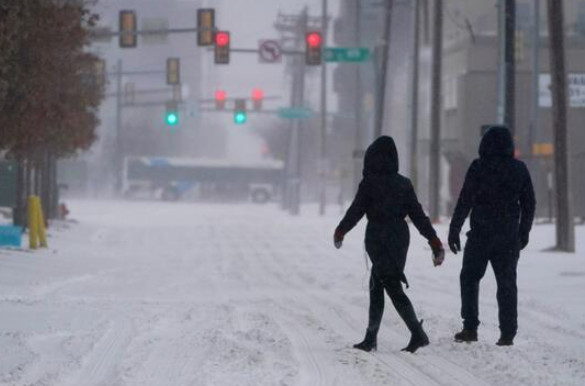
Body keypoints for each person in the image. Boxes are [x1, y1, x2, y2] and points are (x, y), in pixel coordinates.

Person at [333, 136, 445, 353]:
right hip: (398, 237)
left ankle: (416, 334)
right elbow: (418, 216)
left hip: (377, 235)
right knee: (378, 285)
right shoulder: (403, 184)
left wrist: (341, 230)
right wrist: (433, 241)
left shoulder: (369, 184)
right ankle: (372, 337)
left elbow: (355, 211)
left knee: (389, 285)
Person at [448, 126, 536, 346]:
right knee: (506, 284)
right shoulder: (519, 169)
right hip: (508, 236)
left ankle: (470, 327)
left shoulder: (479, 167)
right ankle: (507, 333)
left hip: (480, 234)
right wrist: (523, 231)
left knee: (469, 277)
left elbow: (465, 199)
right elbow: (529, 202)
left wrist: (455, 229)